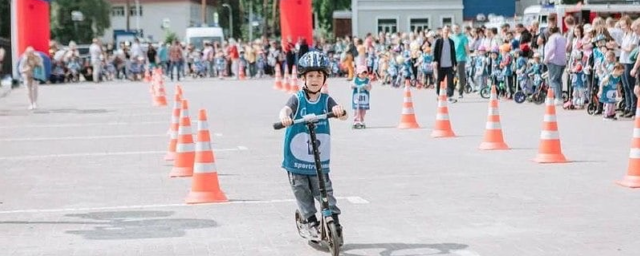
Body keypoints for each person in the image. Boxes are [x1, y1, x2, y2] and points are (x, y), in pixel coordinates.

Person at [278, 51, 347, 241]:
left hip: (319, 158)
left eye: (319, 75)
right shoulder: (298, 99)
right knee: (302, 191)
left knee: (325, 191)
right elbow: (286, 108)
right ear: (303, 78)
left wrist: (339, 112)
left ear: (324, 78)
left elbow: (341, 113)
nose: (315, 79)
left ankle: (334, 220)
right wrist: (285, 117)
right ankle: (308, 221)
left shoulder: (326, 100)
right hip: (297, 158)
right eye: (310, 76)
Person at [433, 25, 458, 103]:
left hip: (449, 65)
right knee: (440, 80)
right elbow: (435, 52)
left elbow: (453, 53)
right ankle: (438, 95)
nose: (446, 32)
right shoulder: (438, 41)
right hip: (441, 65)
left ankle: (449, 96)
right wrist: (435, 61)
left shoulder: (451, 42)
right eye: (445, 30)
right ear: (442, 31)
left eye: (447, 30)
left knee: (450, 81)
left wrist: (455, 64)